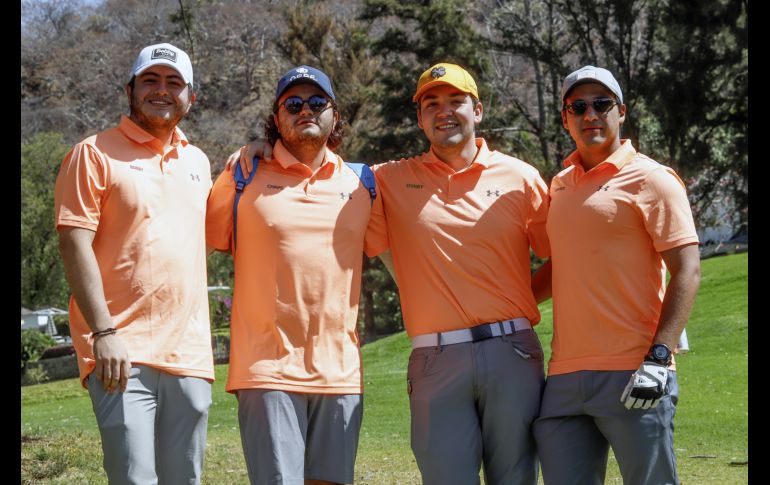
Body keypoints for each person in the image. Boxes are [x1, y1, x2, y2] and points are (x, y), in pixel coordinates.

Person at [531, 65, 702, 485]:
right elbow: (561, 267)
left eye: (601, 104)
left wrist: (660, 357)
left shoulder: (653, 179)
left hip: (635, 371)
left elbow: (687, 268)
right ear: (565, 117)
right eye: (579, 106)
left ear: (620, 111)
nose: (590, 114)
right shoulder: (560, 185)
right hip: (565, 376)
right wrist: (502, 305)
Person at [206, 65, 375, 485]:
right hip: (267, 369)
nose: (306, 110)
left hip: (340, 371)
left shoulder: (362, 182)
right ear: (277, 117)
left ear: (335, 115)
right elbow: (200, 243)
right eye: (293, 103)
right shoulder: (242, 175)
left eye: (317, 103)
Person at [54, 42, 214, 484]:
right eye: (151, 80)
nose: (161, 90)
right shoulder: (93, 154)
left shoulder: (199, 162)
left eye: (174, 82)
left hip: (190, 355)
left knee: (186, 478)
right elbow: (74, 243)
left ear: (190, 97)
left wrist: (262, 145)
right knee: (134, 478)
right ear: (130, 90)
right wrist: (104, 332)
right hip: (120, 352)